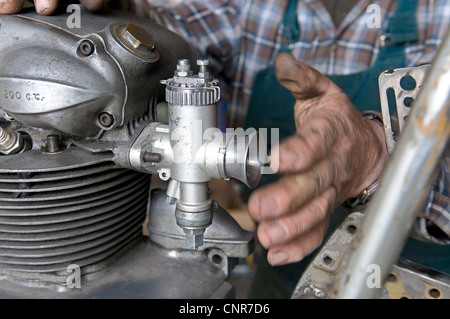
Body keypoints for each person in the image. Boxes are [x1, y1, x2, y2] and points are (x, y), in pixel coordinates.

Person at [1, 0, 449, 298]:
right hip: (279, 280)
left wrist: (376, 157)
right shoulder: (248, 7)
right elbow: (164, 42)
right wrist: (81, 14)